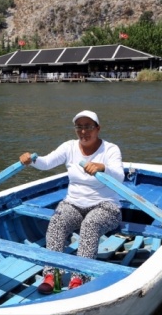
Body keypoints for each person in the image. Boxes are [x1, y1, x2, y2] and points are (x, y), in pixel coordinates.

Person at [19, 110, 123, 294]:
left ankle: (79, 276)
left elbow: (120, 177)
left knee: (90, 225)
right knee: (57, 221)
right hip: (74, 204)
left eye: (88, 127)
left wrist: (103, 167)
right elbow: (45, 163)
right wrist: (31, 159)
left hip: (106, 205)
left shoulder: (110, 149)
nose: (84, 132)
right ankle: (53, 275)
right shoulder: (69, 147)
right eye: (79, 127)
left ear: (98, 129)